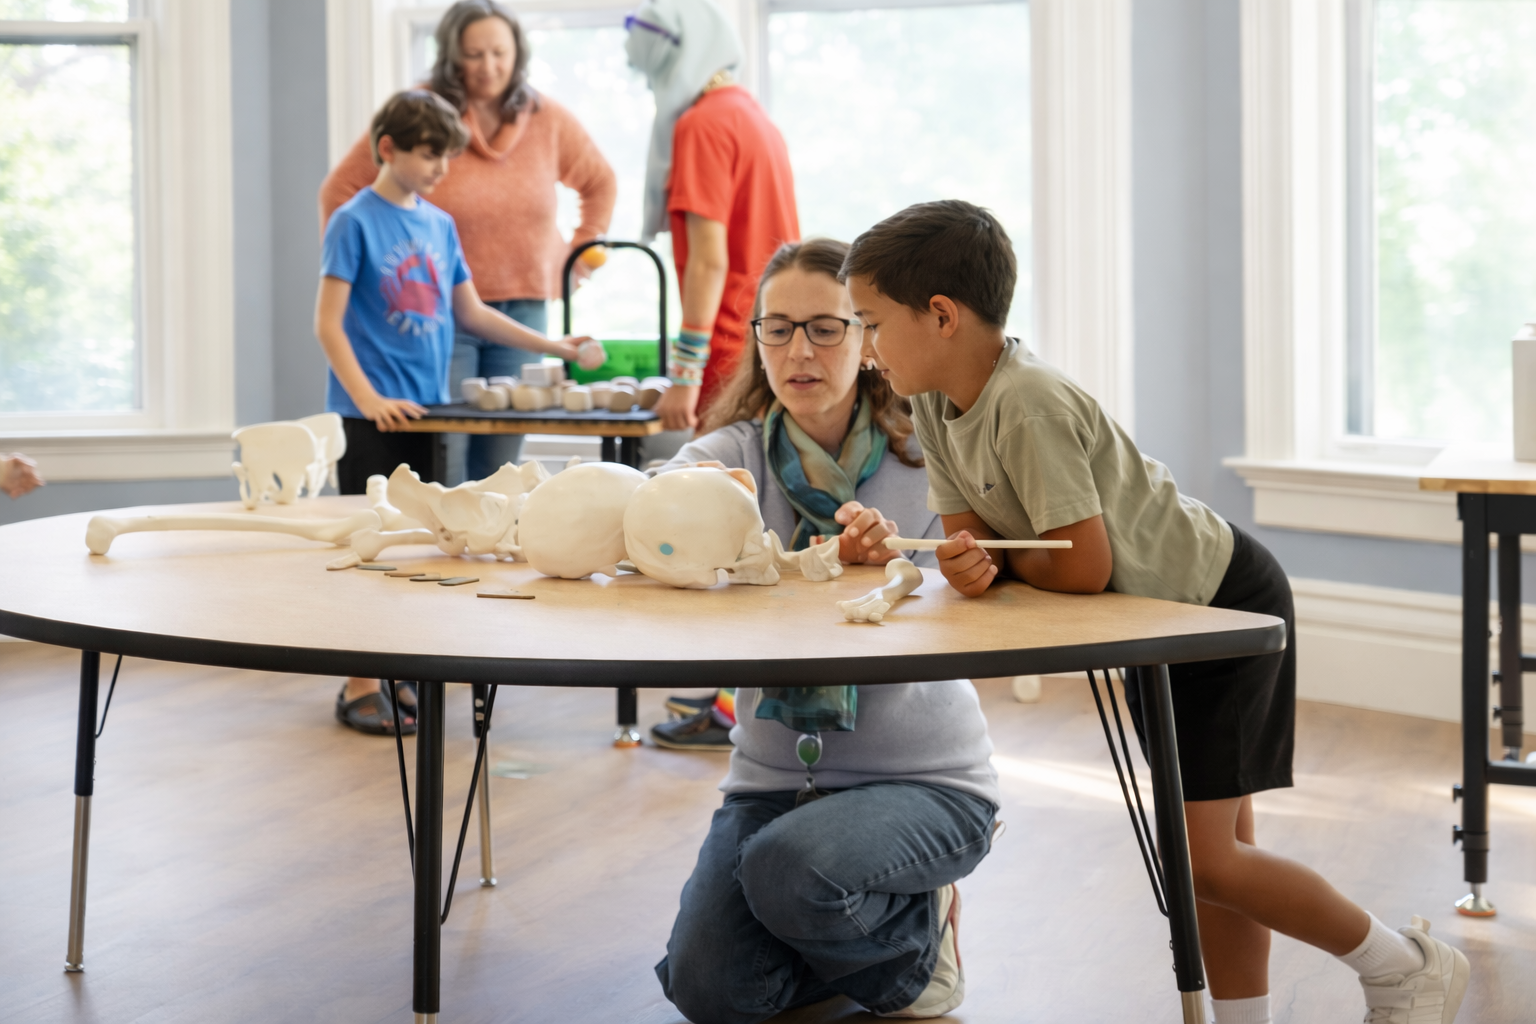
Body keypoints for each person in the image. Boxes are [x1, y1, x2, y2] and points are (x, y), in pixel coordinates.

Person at [845, 199, 1470, 1024]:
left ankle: (1403, 965)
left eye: (870, 322)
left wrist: (991, 559)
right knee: (1219, 855)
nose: (866, 347)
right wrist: (975, 564)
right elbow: (976, 550)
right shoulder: (931, 400)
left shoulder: (1028, 401)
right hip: (1155, 623)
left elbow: (1084, 565)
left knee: (1204, 861)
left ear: (943, 316)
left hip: (1217, 606)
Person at [653, 239, 992, 1024]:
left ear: (868, 338)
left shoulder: (930, 457)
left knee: (785, 867)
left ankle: (915, 941)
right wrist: (699, 509)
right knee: (706, 988)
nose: (799, 350)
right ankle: (835, 929)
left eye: (826, 328)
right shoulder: (732, 457)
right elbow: (659, 507)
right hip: (773, 783)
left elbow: (986, 602)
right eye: (778, 329)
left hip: (923, 781)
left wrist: (897, 576)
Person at [316, 89, 594, 735]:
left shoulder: (439, 225)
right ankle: (359, 681)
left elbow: (471, 312)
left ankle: (401, 670)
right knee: (370, 545)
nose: (442, 167)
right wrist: (368, 400)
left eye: (446, 156)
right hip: (370, 415)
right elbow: (327, 324)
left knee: (420, 549)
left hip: (429, 411)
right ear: (388, 149)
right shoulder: (352, 222)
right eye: (429, 155)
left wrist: (555, 345)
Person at [321, 0, 616, 484]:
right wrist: (358, 275)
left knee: (496, 471)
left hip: (514, 307)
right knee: (440, 473)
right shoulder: (414, 125)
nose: (489, 67)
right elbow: (329, 313)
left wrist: (578, 265)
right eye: (474, 54)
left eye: (500, 53)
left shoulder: (442, 221)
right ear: (452, 56)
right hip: (421, 338)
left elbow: (600, 182)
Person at [625, 0, 799, 435]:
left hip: (726, 350)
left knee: (718, 493)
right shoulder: (754, 118)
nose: (653, 87)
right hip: (767, 338)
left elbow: (708, 260)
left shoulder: (702, 125)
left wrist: (685, 374)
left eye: (653, 74)